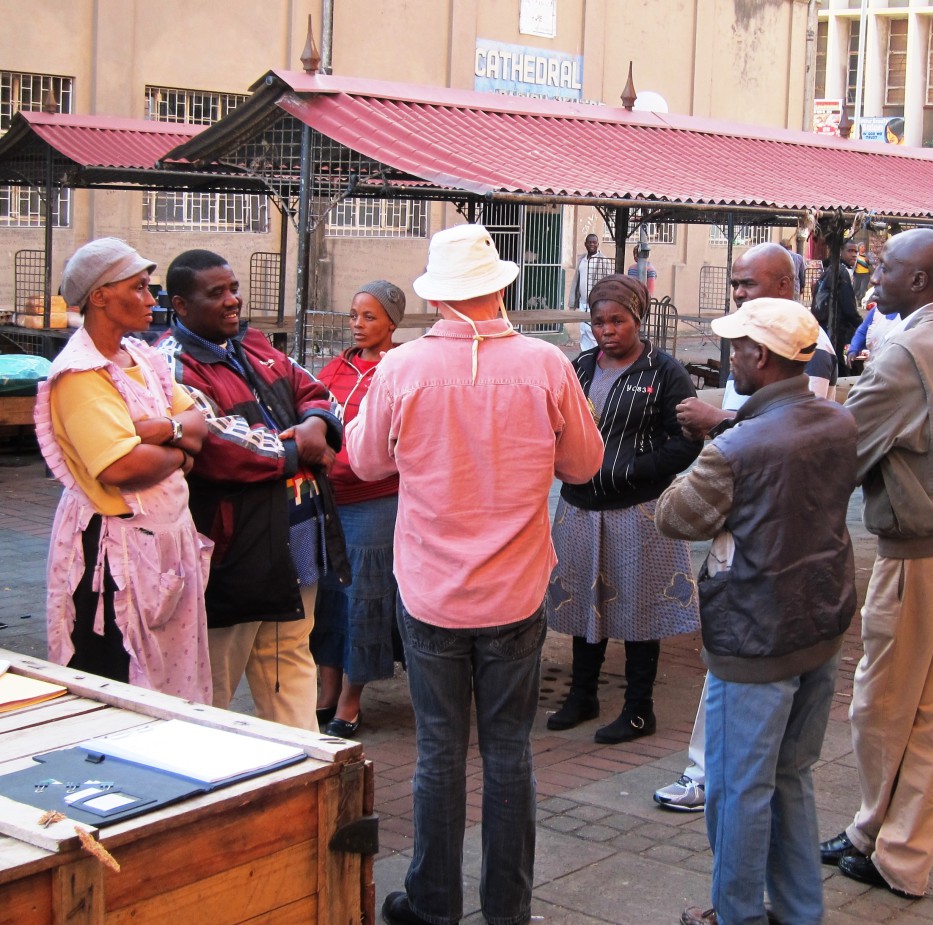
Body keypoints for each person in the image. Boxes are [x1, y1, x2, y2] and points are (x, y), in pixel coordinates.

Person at [346, 224, 604, 925]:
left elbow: (365, 461)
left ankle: (433, 901)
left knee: (438, 751)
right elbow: (583, 465)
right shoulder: (546, 365)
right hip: (516, 591)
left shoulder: (400, 369)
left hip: (431, 591)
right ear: (498, 287)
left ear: (436, 295)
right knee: (509, 752)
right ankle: (507, 908)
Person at [656, 297, 858, 925]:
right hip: (818, 621)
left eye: (736, 348)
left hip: (754, 633)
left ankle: (736, 914)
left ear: (761, 357)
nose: (729, 359)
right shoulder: (837, 420)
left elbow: (675, 516)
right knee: (792, 775)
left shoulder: (737, 447)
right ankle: (801, 911)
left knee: (737, 789)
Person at [820, 228, 933, 900]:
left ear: (919, 282)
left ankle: (893, 850)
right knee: (926, 711)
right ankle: (884, 839)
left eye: (887, 268)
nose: (875, 275)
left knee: (885, 708)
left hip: (922, 554)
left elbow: (842, 445)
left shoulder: (906, 353)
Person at [653, 241, 835, 814]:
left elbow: (791, 438)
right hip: (764, 557)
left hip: (765, 564)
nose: (738, 293)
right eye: (734, 284)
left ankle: (717, 788)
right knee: (779, 761)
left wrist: (718, 428)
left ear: (784, 286)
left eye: (748, 285)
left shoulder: (809, 353)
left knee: (754, 765)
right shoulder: (758, 355)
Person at [157, 249, 349, 731]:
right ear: (180, 305)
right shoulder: (171, 365)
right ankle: (214, 793)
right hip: (233, 552)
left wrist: (315, 425)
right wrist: (298, 451)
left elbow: (317, 391)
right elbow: (215, 442)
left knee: (290, 662)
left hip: (296, 539)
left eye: (234, 289)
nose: (232, 301)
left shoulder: (257, 345)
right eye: (216, 293)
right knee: (215, 682)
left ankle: (303, 776)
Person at [34, 237, 212, 701]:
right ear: (99, 296)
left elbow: (198, 425)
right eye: (137, 288)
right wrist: (180, 453)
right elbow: (121, 465)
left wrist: (161, 430)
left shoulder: (143, 357)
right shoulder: (81, 374)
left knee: (169, 683)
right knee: (118, 683)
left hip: (161, 545)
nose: (151, 300)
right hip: (113, 556)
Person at [546, 274, 702, 744]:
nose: (607, 330)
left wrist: (637, 470)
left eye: (618, 320)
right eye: (598, 321)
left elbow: (687, 440)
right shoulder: (581, 368)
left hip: (638, 512)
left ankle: (639, 709)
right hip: (579, 509)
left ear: (639, 319)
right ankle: (583, 695)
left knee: (638, 609)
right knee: (583, 602)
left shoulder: (664, 371)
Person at [312, 281, 406, 738]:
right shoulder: (335, 368)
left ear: (392, 321)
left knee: (364, 599)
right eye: (353, 315)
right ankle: (326, 693)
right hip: (328, 501)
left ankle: (352, 699)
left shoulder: (400, 371)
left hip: (374, 502)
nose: (358, 325)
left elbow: (396, 440)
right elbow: (312, 412)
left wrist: (338, 461)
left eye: (369, 317)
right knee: (327, 598)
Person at [813, 239, 862, 375]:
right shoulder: (841, 272)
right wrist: (862, 326)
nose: (854, 255)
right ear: (840, 252)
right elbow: (849, 308)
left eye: (856, 252)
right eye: (850, 251)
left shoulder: (831, 270)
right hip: (837, 329)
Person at [569, 233, 612, 351]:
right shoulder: (581, 260)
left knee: (593, 331)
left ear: (598, 244)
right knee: (583, 331)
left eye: (594, 242)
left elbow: (608, 281)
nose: (592, 244)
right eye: (589, 242)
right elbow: (576, 281)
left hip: (596, 303)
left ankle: (596, 355)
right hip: (583, 302)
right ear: (585, 244)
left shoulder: (603, 261)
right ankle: (585, 355)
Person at [845, 302, 900, 368]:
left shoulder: (911, 314)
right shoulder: (876, 311)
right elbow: (862, 332)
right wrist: (853, 349)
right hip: (872, 367)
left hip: (897, 370)